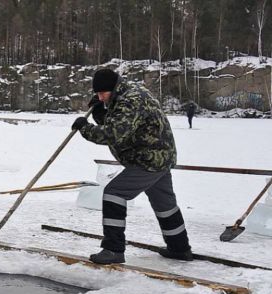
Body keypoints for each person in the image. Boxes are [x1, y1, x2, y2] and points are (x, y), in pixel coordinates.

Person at [71, 69, 192, 264]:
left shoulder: (131, 99)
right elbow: (123, 123)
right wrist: (101, 113)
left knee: (114, 193)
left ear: (113, 87)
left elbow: (114, 134)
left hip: (149, 159)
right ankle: (179, 248)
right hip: (158, 156)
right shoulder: (125, 94)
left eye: (103, 93)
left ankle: (113, 249)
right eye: (98, 94)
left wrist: (85, 128)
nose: (100, 97)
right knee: (165, 205)